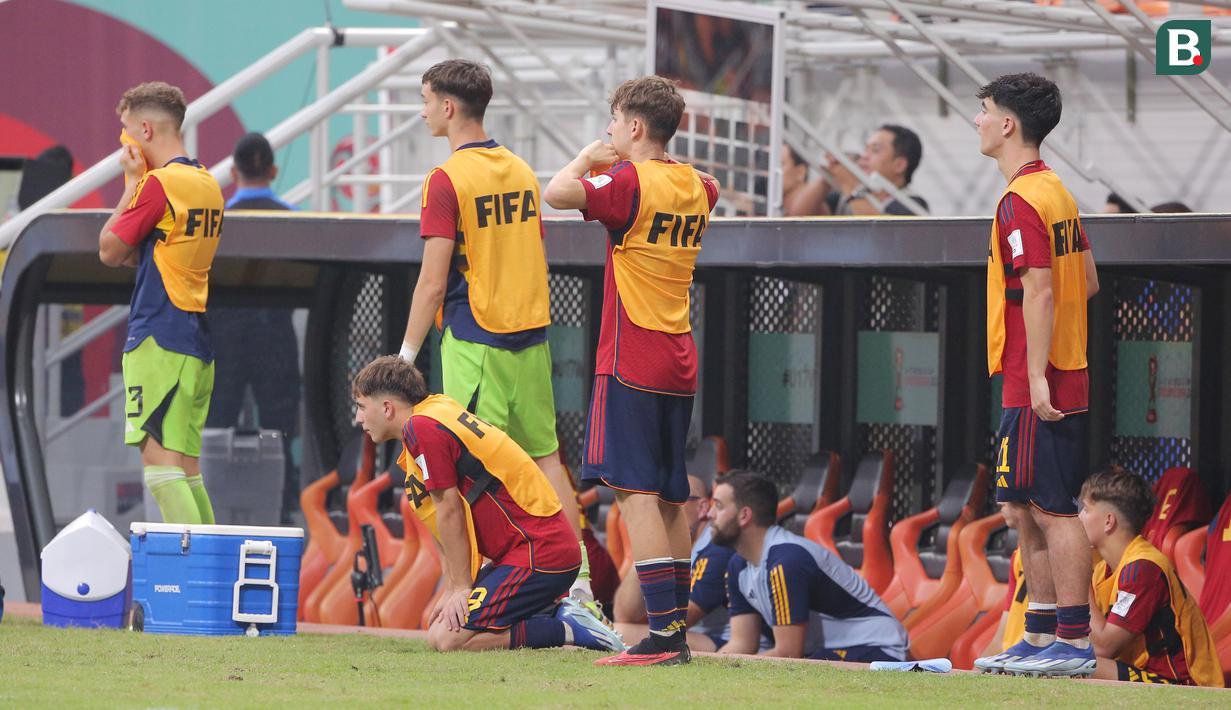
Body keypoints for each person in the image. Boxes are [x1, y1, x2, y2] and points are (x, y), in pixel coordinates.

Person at [394, 59, 603, 616]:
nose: (421, 112)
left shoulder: (446, 179)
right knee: (547, 458)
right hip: (531, 337)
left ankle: (471, 584)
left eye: (425, 100)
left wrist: (406, 356)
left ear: (447, 107)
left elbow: (433, 280)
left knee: (452, 463)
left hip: (475, 339)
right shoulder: (518, 168)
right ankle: (578, 584)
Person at [543, 75, 719, 666]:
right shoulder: (702, 185)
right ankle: (674, 636)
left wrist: (588, 157)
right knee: (671, 496)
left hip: (632, 355)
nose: (610, 132)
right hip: (679, 355)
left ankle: (665, 637)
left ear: (635, 126)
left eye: (614, 121)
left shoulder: (626, 181)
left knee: (636, 495)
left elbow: (557, 192)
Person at [351, 356, 624, 653]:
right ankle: (548, 614)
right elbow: (438, 520)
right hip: (522, 552)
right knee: (439, 630)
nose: (358, 418)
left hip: (539, 552)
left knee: (447, 639)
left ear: (387, 407)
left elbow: (450, 510)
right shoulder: (432, 414)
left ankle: (566, 627)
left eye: (362, 407)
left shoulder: (423, 427)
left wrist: (460, 589)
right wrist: (452, 586)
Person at [972, 73, 1101, 678]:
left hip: (1037, 379)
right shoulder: (1058, 193)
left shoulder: (1022, 199)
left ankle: (1074, 644)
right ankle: (1041, 634)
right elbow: (1089, 282)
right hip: (1044, 372)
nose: (976, 120)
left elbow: (1044, 291)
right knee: (1023, 508)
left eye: (984, 110)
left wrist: (1040, 376)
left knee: (1052, 509)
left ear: (1008, 124)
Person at [98, 81, 222, 525]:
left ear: (146, 130)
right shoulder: (207, 182)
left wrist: (131, 182)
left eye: (126, 133)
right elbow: (143, 250)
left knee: (160, 470)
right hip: (194, 343)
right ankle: (215, 574)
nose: (124, 145)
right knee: (186, 469)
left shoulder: (157, 185)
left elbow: (110, 249)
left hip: (158, 338)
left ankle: (193, 579)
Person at [712, 471, 908, 662]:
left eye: (718, 506)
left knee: (805, 671)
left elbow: (788, 654)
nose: (710, 514)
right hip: (822, 653)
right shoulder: (738, 564)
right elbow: (742, 644)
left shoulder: (786, 561)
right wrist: (712, 671)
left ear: (744, 515)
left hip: (877, 647)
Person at [207, 132, 301, 523]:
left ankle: (216, 508)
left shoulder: (216, 220)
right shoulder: (296, 221)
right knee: (279, 430)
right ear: (274, 170)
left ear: (233, 171)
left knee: (216, 428)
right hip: (274, 334)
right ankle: (280, 510)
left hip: (221, 338)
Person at [1080, 468, 1223, 686]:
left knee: (1078, 664)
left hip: (1185, 685)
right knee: (1065, 656)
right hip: (1143, 674)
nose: (1079, 517)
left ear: (1109, 521)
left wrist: (1079, 581)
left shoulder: (1143, 568)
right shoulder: (1102, 569)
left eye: (1086, 510)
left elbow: (1103, 647)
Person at [612, 475, 735, 652]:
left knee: (617, 632)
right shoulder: (669, 544)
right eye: (657, 503)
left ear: (702, 507)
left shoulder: (715, 546)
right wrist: (648, 545)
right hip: (686, 636)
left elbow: (680, 619)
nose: (662, 509)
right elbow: (624, 613)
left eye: (672, 501)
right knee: (616, 629)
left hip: (719, 640)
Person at [789, 125, 928, 216]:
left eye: (875, 150)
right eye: (865, 149)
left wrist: (850, 183)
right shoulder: (846, 195)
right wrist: (828, 177)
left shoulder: (913, 204)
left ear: (899, 165)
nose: (864, 156)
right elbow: (798, 216)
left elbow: (883, 235)